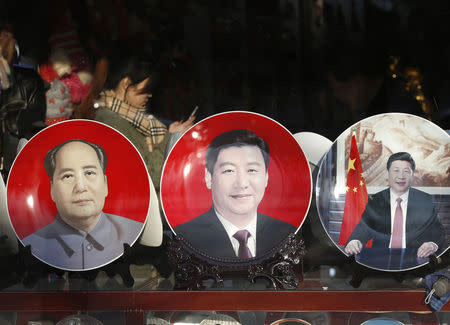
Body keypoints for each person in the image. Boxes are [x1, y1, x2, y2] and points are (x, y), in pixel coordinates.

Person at [173, 129, 296, 259]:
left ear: (266, 177)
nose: (242, 183)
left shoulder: (286, 235)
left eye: (252, 170)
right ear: (209, 177)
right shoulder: (184, 238)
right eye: (229, 170)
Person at [22, 139, 143, 270]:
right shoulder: (32, 243)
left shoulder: (135, 233)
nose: (80, 187)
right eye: (68, 176)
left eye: (89, 173)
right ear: (52, 190)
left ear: (105, 184)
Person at [94, 55, 194, 192]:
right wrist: (171, 139)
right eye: (147, 89)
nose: (150, 95)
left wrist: (171, 133)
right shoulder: (114, 124)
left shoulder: (128, 118)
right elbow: (153, 177)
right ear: (126, 83)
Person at [345, 152, 445, 258]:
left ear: (412, 174)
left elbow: (437, 231)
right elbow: (363, 229)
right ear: (388, 173)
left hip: (414, 259)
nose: (401, 176)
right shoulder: (376, 201)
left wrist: (432, 244)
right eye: (396, 171)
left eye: (406, 171)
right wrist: (355, 241)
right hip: (380, 259)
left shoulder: (424, 200)